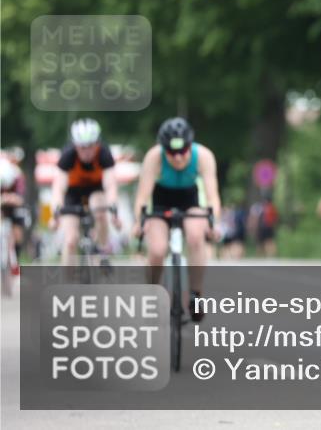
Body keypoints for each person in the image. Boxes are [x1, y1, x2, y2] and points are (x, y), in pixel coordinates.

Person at [131, 117, 222, 321]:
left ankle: (196, 294)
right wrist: (139, 222)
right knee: (157, 249)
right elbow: (142, 197)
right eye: (172, 153)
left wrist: (213, 222)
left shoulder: (204, 156)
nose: (178, 158)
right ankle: (153, 293)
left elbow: (213, 196)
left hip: (189, 199)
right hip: (161, 200)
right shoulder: (154, 157)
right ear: (164, 149)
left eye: (183, 152)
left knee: (196, 235)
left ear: (190, 146)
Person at [49, 119, 120, 266]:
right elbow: (59, 187)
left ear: (97, 143)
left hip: (96, 189)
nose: (87, 151)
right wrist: (55, 213)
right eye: (82, 147)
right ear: (75, 145)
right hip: (73, 193)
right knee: (70, 240)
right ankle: (67, 284)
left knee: (99, 209)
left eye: (91, 146)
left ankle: (102, 250)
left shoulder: (104, 154)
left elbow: (110, 185)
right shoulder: (68, 155)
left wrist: (113, 209)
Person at [0, 157, 28, 266]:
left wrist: (11, 198)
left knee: (17, 231)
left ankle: (17, 256)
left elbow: (21, 199)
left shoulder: (18, 177)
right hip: (2, 206)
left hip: (15, 207)